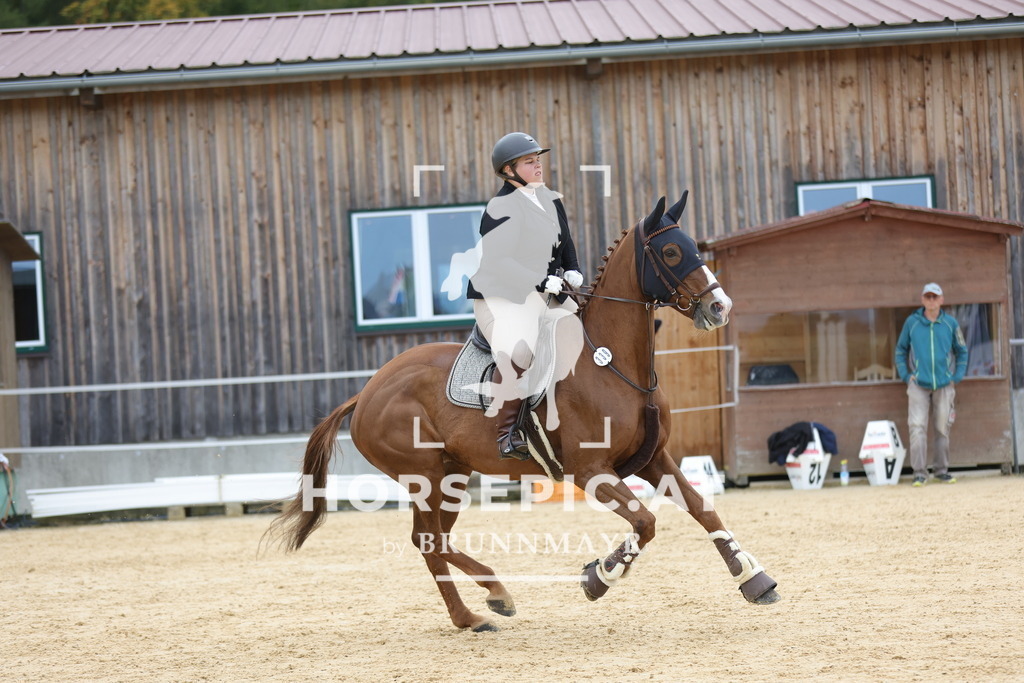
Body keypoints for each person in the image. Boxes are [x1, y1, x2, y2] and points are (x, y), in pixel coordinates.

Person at [450, 132, 585, 459]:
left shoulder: (550, 199)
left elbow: (564, 241)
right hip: (500, 297)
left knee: (588, 330)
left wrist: (572, 268)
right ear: (509, 170)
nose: (538, 164)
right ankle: (506, 432)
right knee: (520, 350)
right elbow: (499, 261)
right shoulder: (500, 208)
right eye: (529, 160)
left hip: (544, 293)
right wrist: (541, 280)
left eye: (538, 158)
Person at [895, 282, 969, 486]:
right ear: (922, 300)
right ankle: (919, 472)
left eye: (935, 297)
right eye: (927, 297)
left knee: (942, 428)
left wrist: (957, 376)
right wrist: (905, 375)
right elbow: (900, 350)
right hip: (918, 384)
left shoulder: (950, 324)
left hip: (944, 384)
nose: (931, 300)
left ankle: (941, 470)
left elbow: (962, 351)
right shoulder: (912, 323)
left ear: (941, 300)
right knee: (917, 427)